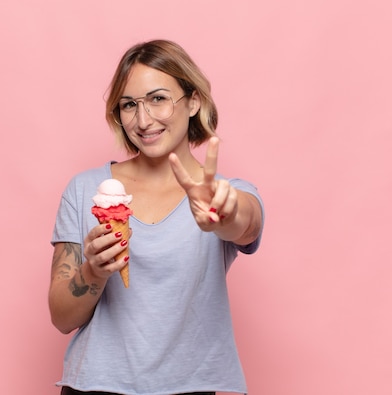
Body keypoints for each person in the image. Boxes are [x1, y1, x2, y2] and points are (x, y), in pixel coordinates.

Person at [49, 39, 264, 395]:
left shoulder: (224, 193)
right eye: (129, 105)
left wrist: (224, 216)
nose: (143, 119)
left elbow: (245, 224)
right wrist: (93, 271)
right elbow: (61, 318)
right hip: (94, 387)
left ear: (193, 101)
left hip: (189, 387)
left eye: (158, 99)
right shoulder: (86, 188)